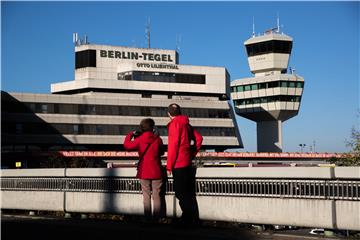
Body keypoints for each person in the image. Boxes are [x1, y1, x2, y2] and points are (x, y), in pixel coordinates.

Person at [166, 103, 203, 226]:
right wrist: (192, 153)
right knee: (188, 193)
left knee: (180, 193)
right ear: (180, 112)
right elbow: (199, 138)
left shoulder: (174, 124)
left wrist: (169, 165)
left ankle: (188, 220)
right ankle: (192, 219)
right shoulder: (187, 124)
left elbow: (173, 146)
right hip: (187, 162)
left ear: (169, 114)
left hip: (178, 163)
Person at [123, 118, 165, 221]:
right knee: (157, 196)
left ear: (141, 128)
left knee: (146, 196)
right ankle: (156, 220)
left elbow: (127, 146)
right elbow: (162, 152)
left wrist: (131, 134)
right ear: (153, 128)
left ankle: (148, 219)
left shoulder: (140, 139)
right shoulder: (158, 140)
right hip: (156, 171)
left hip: (144, 171)